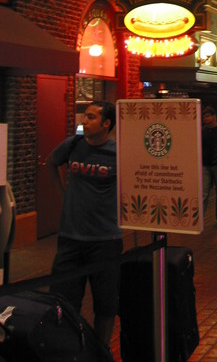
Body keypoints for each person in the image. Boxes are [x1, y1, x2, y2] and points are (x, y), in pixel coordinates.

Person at [47, 101, 122, 346]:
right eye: (85, 116)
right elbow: (51, 162)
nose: (84, 121)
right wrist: (62, 194)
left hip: (105, 240)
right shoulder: (73, 145)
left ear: (106, 123)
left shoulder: (118, 153)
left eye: (91, 117)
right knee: (63, 301)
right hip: (70, 237)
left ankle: (101, 350)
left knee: (106, 304)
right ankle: (70, 349)